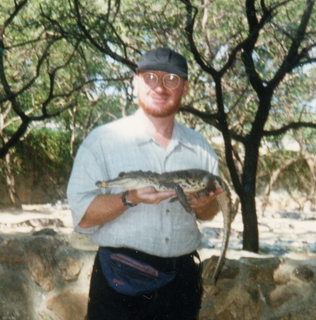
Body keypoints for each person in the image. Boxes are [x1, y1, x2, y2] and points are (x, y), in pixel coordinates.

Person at [67, 47, 223, 320]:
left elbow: (209, 213)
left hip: (181, 283)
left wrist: (204, 206)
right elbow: (84, 217)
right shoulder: (102, 141)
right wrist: (129, 198)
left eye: (171, 80)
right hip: (119, 281)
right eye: (150, 77)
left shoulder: (200, 146)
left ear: (184, 87)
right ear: (135, 81)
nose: (160, 87)